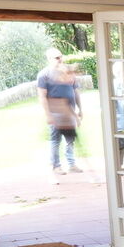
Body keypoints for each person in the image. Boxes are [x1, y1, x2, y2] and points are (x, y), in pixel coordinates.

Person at [35, 48, 82, 180]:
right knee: (55, 140)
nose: (60, 59)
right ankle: (56, 166)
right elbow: (42, 96)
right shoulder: (44, 75)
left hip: (69, 112)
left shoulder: (68, 73)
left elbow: (75, 91)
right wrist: (48, 114)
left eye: (61, 56)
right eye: (57, 57)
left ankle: (72, 164)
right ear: (49, 59)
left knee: (70, 139)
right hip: (55, 113)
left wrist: (80, 109)